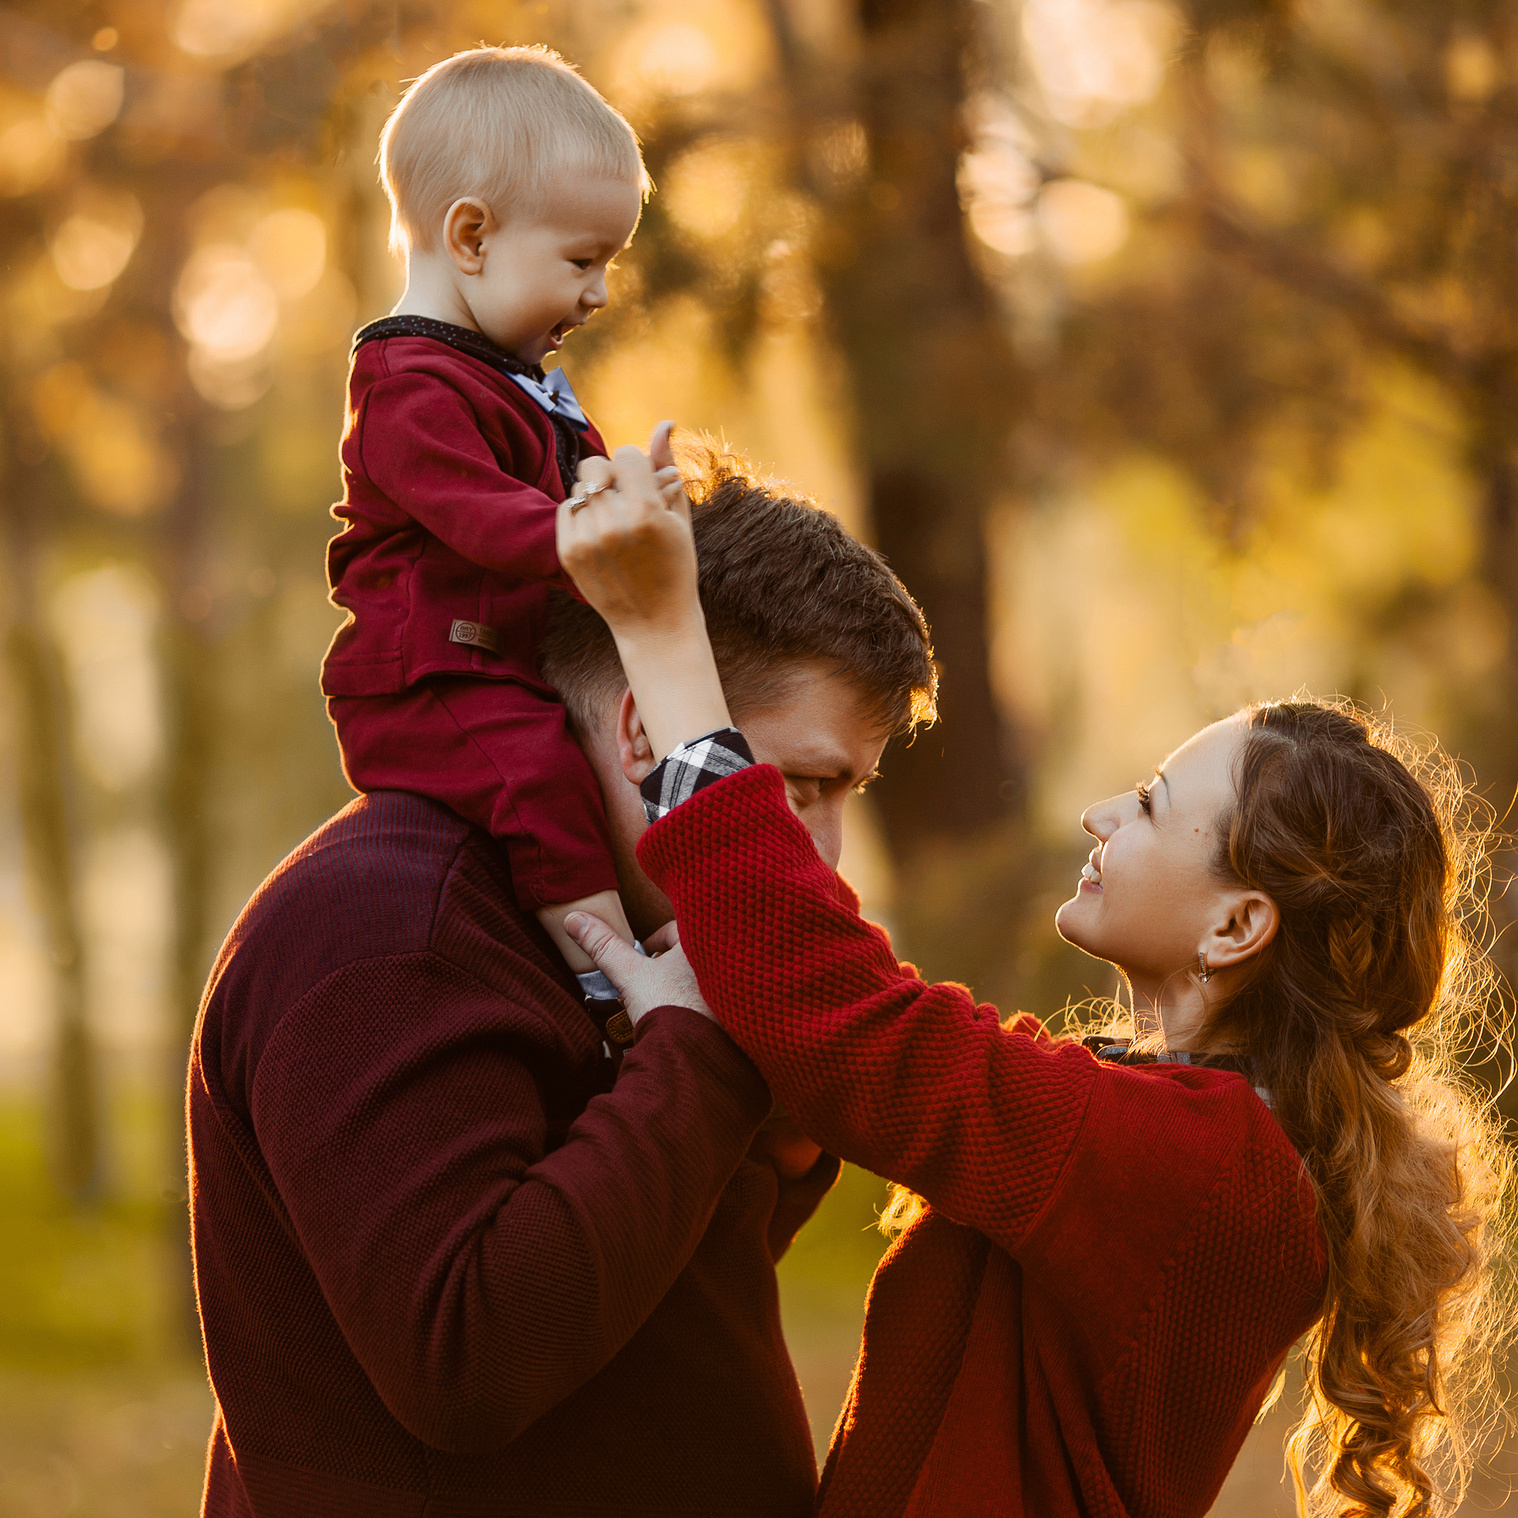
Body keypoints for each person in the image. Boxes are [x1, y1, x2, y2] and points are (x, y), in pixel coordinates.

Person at [559, 447, 1515, 1518]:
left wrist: (662, 645)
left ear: (1240, 923)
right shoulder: (1178, 1128)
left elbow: (863, 1035)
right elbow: (840, 1056)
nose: (1102, 814)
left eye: (1151, 805)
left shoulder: (1207, 1166)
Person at [186, 446, 937, 1516]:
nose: (825, 851)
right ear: (647, 730)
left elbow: (653, 1303)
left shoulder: (634, 928)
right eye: (805, 785)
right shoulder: (386, 929)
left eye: (844, 793)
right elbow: (467, 1361)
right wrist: (700, 1060)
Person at [324, 43, 673, 988]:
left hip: (505, 659)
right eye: (582, 260)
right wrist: (589, 537)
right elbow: (482, 515)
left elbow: (578, 480)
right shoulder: (406, 383)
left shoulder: (517, 378)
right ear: (471, 237)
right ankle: (609, 977)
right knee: (542, 782)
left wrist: (636, 495)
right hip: (436, 676)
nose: (599, 292)